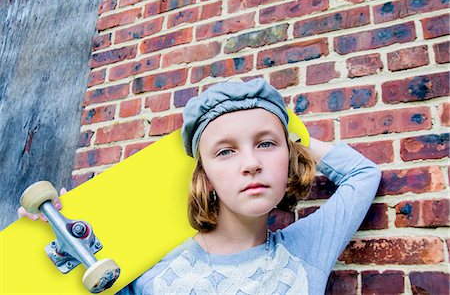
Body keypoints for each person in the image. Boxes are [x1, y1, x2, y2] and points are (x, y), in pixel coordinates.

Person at [19, 78, 382, 294]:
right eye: (225, 151)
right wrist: (48, 244)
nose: (252, 162)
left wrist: (296, 138)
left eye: (266, 144)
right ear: (204, 175)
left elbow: (363, 176)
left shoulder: (305, 253)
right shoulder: (148, 269)